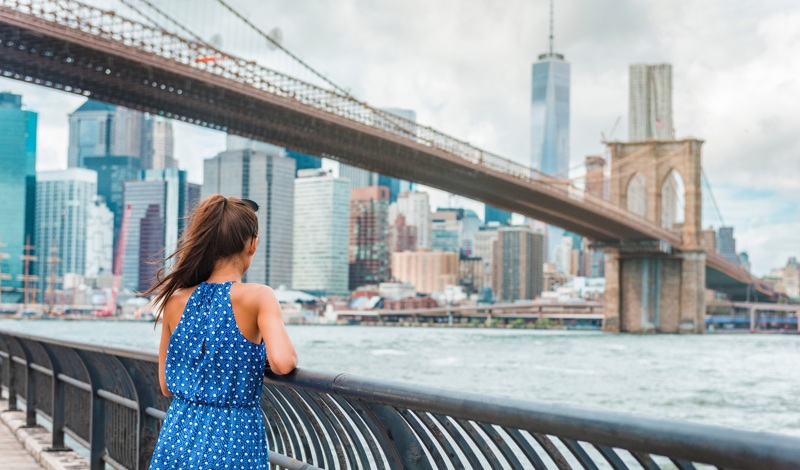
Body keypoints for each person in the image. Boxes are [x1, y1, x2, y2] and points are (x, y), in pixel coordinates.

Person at [146, 194, 298, 469]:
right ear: (252, 244)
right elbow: (284, 362)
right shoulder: (259, 296)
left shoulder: (175, 300)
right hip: (233, 440)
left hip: (178, 434)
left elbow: (166, 386)